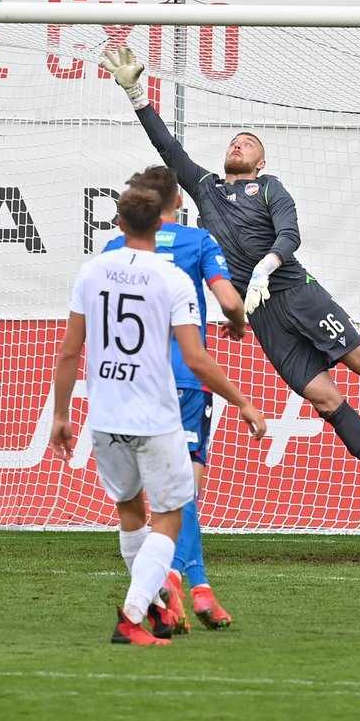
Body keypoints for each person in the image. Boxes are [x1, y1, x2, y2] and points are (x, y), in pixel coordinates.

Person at [99, 46, 360, 535]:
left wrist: (265, 267)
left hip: (297, 292)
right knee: (325, 401)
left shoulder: (270, 188)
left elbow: (290, 234)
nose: (239, 145)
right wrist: (136, 94)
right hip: (265, 320)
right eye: (234, 141)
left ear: (261, 162)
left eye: (249, 143)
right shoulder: (207, 187)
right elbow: (167, 148)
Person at [49, 187, 267, 646]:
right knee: (174, 508)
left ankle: (159, 604)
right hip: (164, 399)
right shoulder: (177, 274)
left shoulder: (94, 268)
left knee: (130, 509)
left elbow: (70, 349)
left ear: (120, 224)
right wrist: (243, 400)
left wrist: (61, 414)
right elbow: (203, 348)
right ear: (169, 214)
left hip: (106, 409)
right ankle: (157, 601)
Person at [104, 166, 245, 632]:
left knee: (142, 501)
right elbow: (228, 300)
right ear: (178, 201)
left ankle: (191, 589)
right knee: (183, 491)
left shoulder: (110, 250)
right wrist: (240, 323)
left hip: (123, 384)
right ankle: (180, 584)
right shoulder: (197, 243)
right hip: (184, 380)